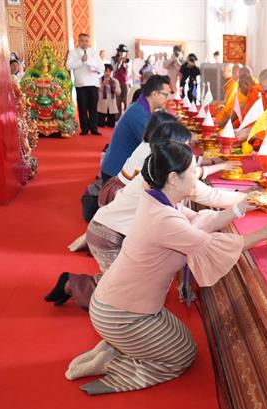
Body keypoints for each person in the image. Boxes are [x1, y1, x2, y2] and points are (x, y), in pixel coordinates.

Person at [63, 140, 267, 395]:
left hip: (123, 303)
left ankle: (112, 349)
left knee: (181, 341)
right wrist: (265, 232)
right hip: (122, 313)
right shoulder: (164, 218)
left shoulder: (158, 201)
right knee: (182, 356)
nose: (197, 177)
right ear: (174, 178)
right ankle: (117, 363)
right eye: (192, 171)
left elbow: (199, 222)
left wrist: (239, 208)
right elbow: (210, 245)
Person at [45, 120, 242, 310]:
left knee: (123, 281)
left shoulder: (158, 168)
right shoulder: (166, 177)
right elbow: (212, 196)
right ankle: (72, 285)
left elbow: (195, 175)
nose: (187, 152)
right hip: (108, 234)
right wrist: (247, 199)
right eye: (185, 146)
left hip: (111, 226)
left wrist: (218, 169)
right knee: (122, 291)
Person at [100, 75, 171, 183]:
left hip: (118, 168)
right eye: (165, 95)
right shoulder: (139, 113)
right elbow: (154, 146)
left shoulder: (140, 107)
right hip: (116, 174)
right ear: (155, 94)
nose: (168, 98)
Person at [66, 33, 103, 135]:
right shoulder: (73, 53)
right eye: (82, 40)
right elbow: (68, 66)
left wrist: (90, 62)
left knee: (93, 108)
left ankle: (94, 129)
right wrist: (81, 61)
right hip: (81, 84)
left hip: (93, 84)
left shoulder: (94, 53)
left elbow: (101, 68)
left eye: (86, 41)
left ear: (89, 42)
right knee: (82, 108)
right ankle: (85, 129)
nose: (84, 43)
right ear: (78, 41)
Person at [111, 44, 132, 118]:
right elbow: (113, 70)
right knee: (118, 100)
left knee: (126, 100)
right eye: (121, 51)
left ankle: (126, 117)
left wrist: (126, 67)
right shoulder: (113, 59)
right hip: (117, 82)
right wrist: (119, 64)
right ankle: (117, 116)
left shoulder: (128, 60)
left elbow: (129, 73)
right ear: (118, 52)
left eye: (124, 52)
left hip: (125, 82)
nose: (122, 53)